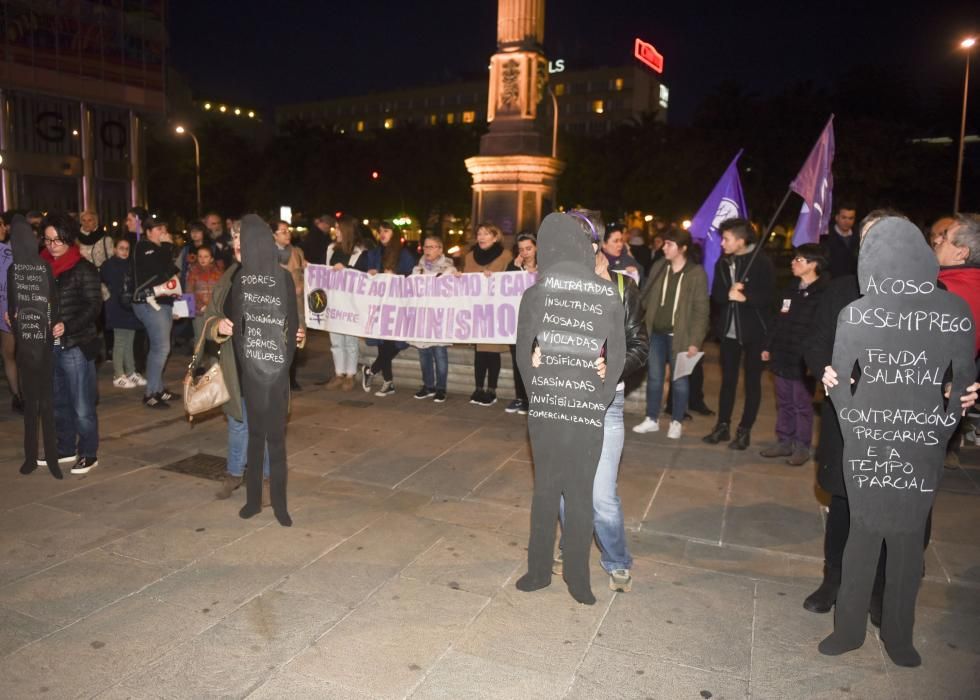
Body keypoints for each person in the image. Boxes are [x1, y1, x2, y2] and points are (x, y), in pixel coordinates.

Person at [551, 208, 649, 593]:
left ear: (594, 245)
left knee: (600, 496)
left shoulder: (623, 288)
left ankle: (616, 558)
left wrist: (612, 366)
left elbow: (641, 345)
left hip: (605, 404)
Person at [204, 220, 304, 502]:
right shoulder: (228, 279)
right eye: (235, 243)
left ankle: (268, 478)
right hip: (236, 366)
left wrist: (297, 334)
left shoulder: (278, 277)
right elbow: (209, 316)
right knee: (239, 421)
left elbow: (292, 320)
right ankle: (235, 474)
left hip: (267, 365)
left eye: (243, 243)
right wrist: (216, 326)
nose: (238, 248)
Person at [703, 218, 774, 450]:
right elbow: (718, 297)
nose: (722, 243)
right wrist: (728, 293)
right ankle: (722, 426)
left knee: (752, 383)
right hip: (729, 332)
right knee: (728, 382)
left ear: (741, 241)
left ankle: (745, 430)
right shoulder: (722, 263)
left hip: (755, 332)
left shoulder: (761, 262)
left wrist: (747, 297)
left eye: (726, 239)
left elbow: (770, 298)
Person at [40, 214, 102, 474]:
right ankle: (64, 447)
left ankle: (88, 453)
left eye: (58, 240)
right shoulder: (38, 267)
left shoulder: (82, 268)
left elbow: (93, 306)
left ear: (68, 238)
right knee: (57, 402)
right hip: (47, 345)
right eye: (48, 239)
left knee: (82, 405)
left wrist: (68, 325)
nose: (53, 245)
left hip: (74, 344)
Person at [634, 227, 709, 439]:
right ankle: (651, 419)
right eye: (664, 243)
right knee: (655, 378)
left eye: (669, 244)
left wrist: (695, 341)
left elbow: (701, 311)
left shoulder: (696, 274)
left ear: (682, 248)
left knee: (680, 380)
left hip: (681, 337)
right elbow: (646, 299)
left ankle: (676, 420)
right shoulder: (659, 266)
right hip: (656, 334)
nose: (664, 247)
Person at [759, 243, 829, 465]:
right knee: (784, 401)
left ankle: (802, 446)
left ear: (813, 264)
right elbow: (777, 321)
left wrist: (816, 357)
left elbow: (823, 330)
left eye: (799, 260)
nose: (793, 263)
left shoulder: (823, 294)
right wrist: (767, 346)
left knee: (801, 404)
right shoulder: (790, 289)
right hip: (782, 355)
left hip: (803, 360)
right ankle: (784, 441)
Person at [933, 213, 980, 469]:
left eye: (945, 237)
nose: (937, 240)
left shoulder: (941, 291)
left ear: (961, 252)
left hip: (922, 397)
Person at [359, 221, 415, 396]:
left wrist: (396, 276)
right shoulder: (373, 253)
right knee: (384, 344)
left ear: (395, 233)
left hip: (398, 305)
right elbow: (359, 275)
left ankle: (372, 370)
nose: (382, 234)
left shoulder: (404, 254)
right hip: (379, 304)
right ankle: (388, 382)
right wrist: (370, 274)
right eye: (380, 231)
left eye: (387, 231)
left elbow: (412, 278)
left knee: (398, 342)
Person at [132, 214, 179, 408]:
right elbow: (159, 271)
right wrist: (168, 247)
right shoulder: (144, 247)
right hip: (149, 303)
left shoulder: (160, 250)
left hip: (163, 302)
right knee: (161, 348)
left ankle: (158, 389)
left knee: (160, 348)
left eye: (164, 228)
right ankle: (150, 393)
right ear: (148, 232)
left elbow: (169, 272)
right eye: (159, 229)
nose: (164, 232)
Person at [463, 222, 512, 406]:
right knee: (479, 352)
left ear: (495, 237)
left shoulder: (505, 255)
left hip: (496, 310)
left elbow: (511, 279)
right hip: (477, 310)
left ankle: (491, 390)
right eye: (479, 234)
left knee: (492, 352)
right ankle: (478, 388)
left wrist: (496, 278)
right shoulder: (470, 256)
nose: (481, 237)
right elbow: (467, 281)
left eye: (486, 234)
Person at [410, 232, 455, 402]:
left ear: (440, 249)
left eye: (431, 246)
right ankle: (428, 385)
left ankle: (441, 388)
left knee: (440, 353)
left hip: (440, 318)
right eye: (425, 246)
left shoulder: (449, 269)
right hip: (422, 317)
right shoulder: (417, 269)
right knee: (424, 354)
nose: (427, 249)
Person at [323, 214, 366, 390]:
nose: (336, 231)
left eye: (339, 228)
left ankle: (350, 374)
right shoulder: (332, 248)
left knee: (350, 340)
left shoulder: (360, 252)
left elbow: (363, 277)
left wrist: (347, 270)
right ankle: (338, 373)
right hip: (334, 301)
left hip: (351, 303)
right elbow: (325, 271)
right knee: (336, 341)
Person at [101, 238, 144, 388]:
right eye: (121, 248)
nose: (124, 251)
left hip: (129, 306)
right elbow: (108, 284)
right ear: (114, 249)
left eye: (127, 248)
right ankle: (118, 374)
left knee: (129, 341)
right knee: (120, 341)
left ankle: (131, 372)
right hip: (117, 307)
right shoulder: (109, 265)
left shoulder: (131, 265)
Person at [505, 231, 538, 414]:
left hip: (538, 324)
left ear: (536, 247)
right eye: (521, 249)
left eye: (529, 248)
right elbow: (503, 289)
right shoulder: (513, 267)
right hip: (516, 324)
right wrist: (516, 271)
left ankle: (534, 398)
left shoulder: (547, 266)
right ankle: (521, 397)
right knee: (519, 361)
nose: (525, 253)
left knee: (535, 362)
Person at [274, 219, 307, 390]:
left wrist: (303, 283)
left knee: (294, 338)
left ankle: (291, 378)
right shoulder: (266, 255)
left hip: (295, 304)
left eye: (288, 230)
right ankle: (279, 377)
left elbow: (306, 274)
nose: (288, 234)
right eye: (283, 231)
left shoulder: (297, 253)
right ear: (274, 235)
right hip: (276, 305)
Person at [0, 213, 19, 413]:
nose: (3, 228)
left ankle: (18, 395)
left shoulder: (10, 253)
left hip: (7, 310)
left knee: (10, 353)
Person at [185, 246, 223, 346]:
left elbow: (221, 292)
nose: (202, 259)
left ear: (211, 259)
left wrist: (214, 307)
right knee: (199, 339)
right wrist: (200, 306)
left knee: (214, 337)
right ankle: (197, 361)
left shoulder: (218, 273)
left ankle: (214, 361)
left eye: (206, 256)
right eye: (200, 256)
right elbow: (189, 292)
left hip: (214, 311)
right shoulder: (193, 272)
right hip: (199, 312)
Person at [820, 203, 858, 278]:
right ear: (837, 217)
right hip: (832, 283)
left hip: (853, 283)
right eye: (844, 217)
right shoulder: (825, 237)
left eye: (851, 218)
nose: (847, 222)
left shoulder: (859, 236)